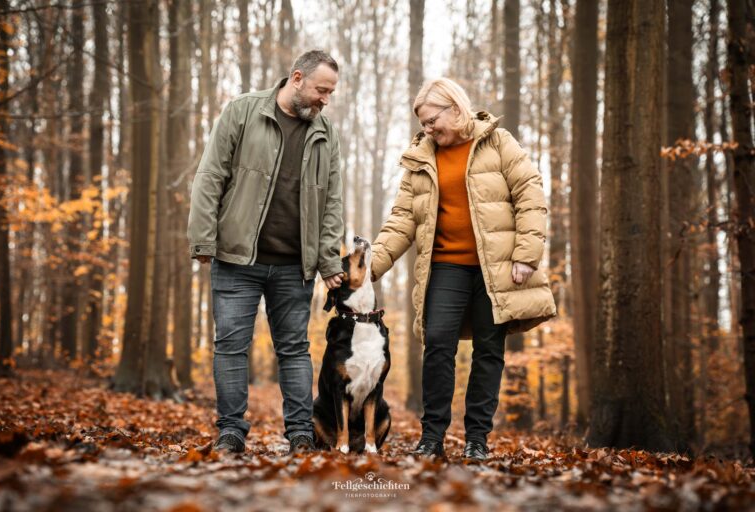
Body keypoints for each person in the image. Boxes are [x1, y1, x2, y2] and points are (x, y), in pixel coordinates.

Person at [371, 78, 556, 461]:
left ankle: (477, 439)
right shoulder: (421, 158)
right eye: (422, 123)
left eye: (431, 120)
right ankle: (432, 437)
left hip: (497, 268)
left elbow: (531, 195)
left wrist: (526, 254)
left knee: (490, 350)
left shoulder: (498, 142)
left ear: (454, 108)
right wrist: (369, 267)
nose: (427, 128)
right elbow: (402, 219)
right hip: (445, 267)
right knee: (437, 343)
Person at [187, 50, 345, 455]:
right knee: (231, 346)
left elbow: (332, 203)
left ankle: (300, 435)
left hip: (295, 265)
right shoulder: (243, 111)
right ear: (297, 78)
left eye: (330, 92)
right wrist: (203, 239)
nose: (325, 98)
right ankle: (231, 431)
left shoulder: (325, 132)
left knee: (294, 350)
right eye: (320, 89)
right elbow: (210, 176)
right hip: (237, 258)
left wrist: (328, 260)